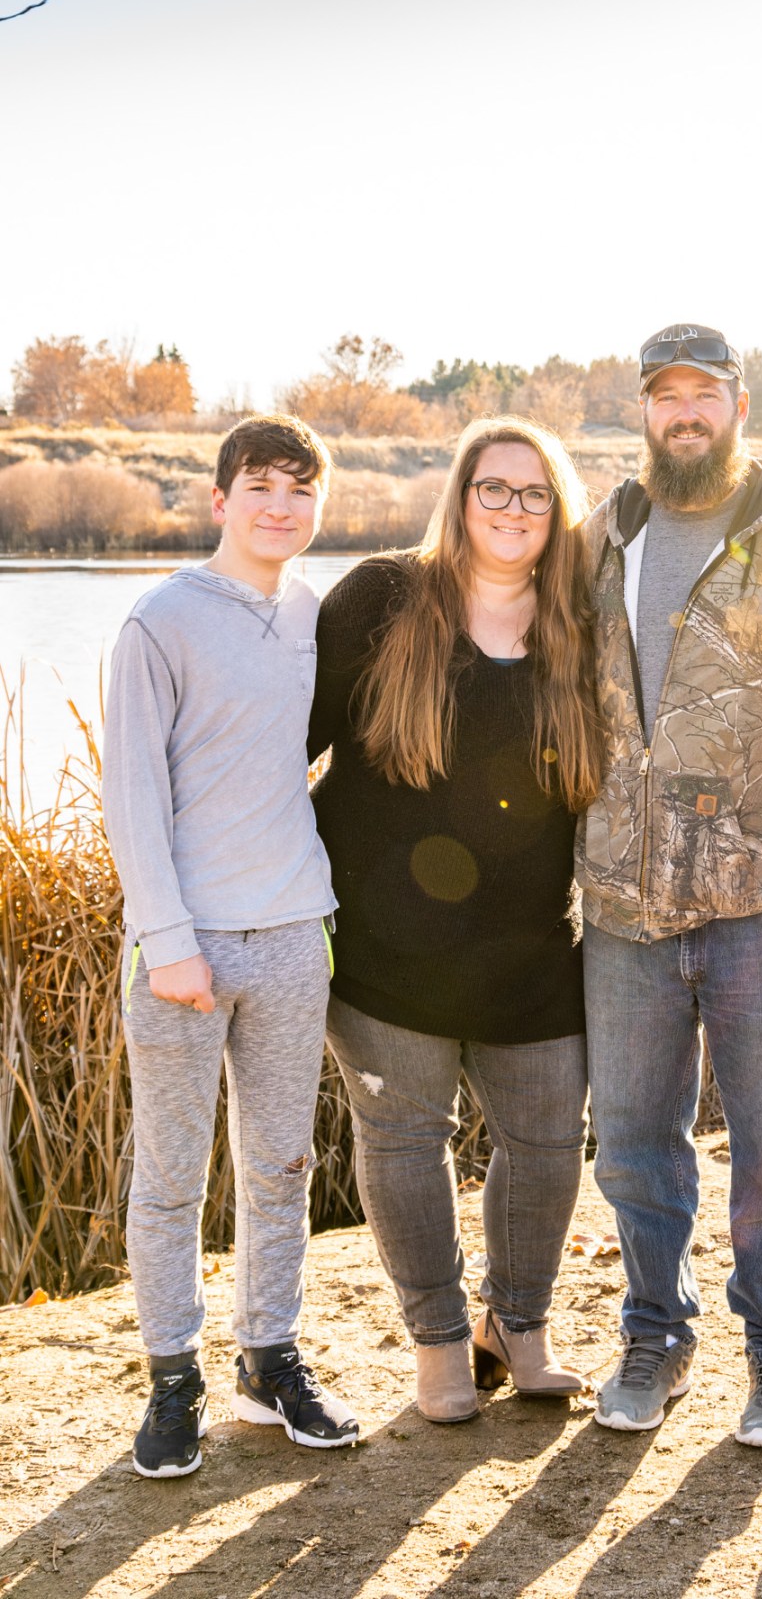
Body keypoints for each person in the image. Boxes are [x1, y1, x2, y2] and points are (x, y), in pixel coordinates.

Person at [579, 322, 762, 1448]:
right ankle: (657, 1333)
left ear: (741, 406)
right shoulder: (602, 537)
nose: (684, 413)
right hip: (622, 906)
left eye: (705, 394)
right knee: (633, 1148)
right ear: (645, 413)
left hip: (761, 899)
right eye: (666, 396)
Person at [309, 416, 603, 1425]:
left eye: (535, 494)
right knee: (404, 1141)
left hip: (532, 950)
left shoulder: (579, 631)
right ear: (462, 497)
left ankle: (516, 1328)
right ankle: (439, 1345)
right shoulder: (383, 600)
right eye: (494, 488)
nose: (514, 510)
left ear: (557, 513)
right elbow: (285, 745)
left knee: (550, 1138)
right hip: (386, 954)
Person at [103, 413, 358, 1479]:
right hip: (186, 950)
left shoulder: (312, 615)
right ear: (220, 500)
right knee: (171, 1177)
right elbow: (130, 795)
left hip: (295, 932)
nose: (280, 507)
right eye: (260, 485)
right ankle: (173, 1377)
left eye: (301, 489)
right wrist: (168, 941)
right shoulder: (159, 620)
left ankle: (268, 1359)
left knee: (281, 1165)